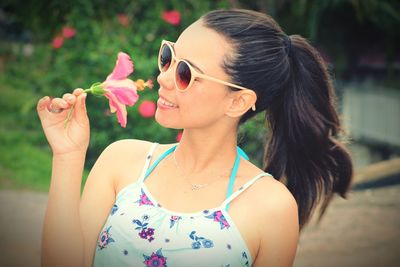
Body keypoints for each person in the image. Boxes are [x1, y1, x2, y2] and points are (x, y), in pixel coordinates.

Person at [37, 8, 353, 267]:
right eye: (168, 56)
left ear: (238, 101)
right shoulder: (121, 161)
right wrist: (68, 156)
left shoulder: (271, 207)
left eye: (185, 72)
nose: (162, 77)